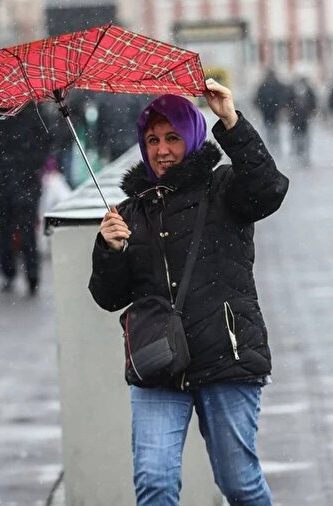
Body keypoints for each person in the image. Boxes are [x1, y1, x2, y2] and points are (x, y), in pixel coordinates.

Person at [88, 80, 287, 505]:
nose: (162, 150)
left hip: (226, 357)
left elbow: (269, 188)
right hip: (157, 364)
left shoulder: (224, 189)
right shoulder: (127, 213)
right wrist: (110, 249)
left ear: (193, 137)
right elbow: (108, 296)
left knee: (239, 484)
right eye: (153, 139)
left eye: (173, 137)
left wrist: (230, 121)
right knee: (155, 484)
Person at [0, 102, 60, 295]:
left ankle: (9, 271)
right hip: (24, 177)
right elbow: (47, 140)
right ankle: (31, 273)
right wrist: (34, 164)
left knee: (4, 226)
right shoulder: (32, 110)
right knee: (26, 226)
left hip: (2, 176)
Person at [286, 76, 317, 164]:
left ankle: (299, 151)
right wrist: (312, 110)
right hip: (304, 116)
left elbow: (288, 101)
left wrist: (290, 110)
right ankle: (303, 152)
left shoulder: (293, 89)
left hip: (296, 117)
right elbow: (313, 102)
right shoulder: (308, 90)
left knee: (297, 134)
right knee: (304, 135)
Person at [254, 68, 286, 151]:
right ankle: (274, 148)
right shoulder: (276, 86)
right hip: (271, 114)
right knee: (273, 132)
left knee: (272, 132)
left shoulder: (264, 86)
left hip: (269, 113)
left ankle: (273, 148)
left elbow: (257, 100)